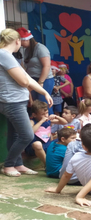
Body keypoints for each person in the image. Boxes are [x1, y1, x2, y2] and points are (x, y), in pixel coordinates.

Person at [0, 28, 53, 177]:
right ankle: (9, 164)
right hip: (12, 101)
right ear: (17, 41)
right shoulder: (5, 55)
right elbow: (24, 80)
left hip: (16, 100)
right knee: (27, 135)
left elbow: (27, 78)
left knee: (15, 135)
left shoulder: (8, 56)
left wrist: (44, 92)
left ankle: (18, 164)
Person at [17, 27, 55, 114]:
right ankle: (39, 125)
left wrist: (41, 82)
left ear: (26, 39)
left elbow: (47, 66)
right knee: (36, 105)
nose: (20, 44)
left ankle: (47, 124)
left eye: (20, 41)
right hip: (32, 80)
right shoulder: (27, 50)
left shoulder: (41, 48)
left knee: (43, 104)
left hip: (44, 80)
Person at [25, 100, 67, 166]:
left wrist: (56, 117)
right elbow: (31, 132)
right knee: (37, 144)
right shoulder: (32, 121)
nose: (45, 115)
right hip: (34, 148)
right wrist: (41, 121)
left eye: (47, 113)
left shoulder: (49, 120)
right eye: (42, 114)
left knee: (64, 139)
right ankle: (47, 165)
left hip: (47, 145)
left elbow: (64, 122)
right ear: (34, 115)